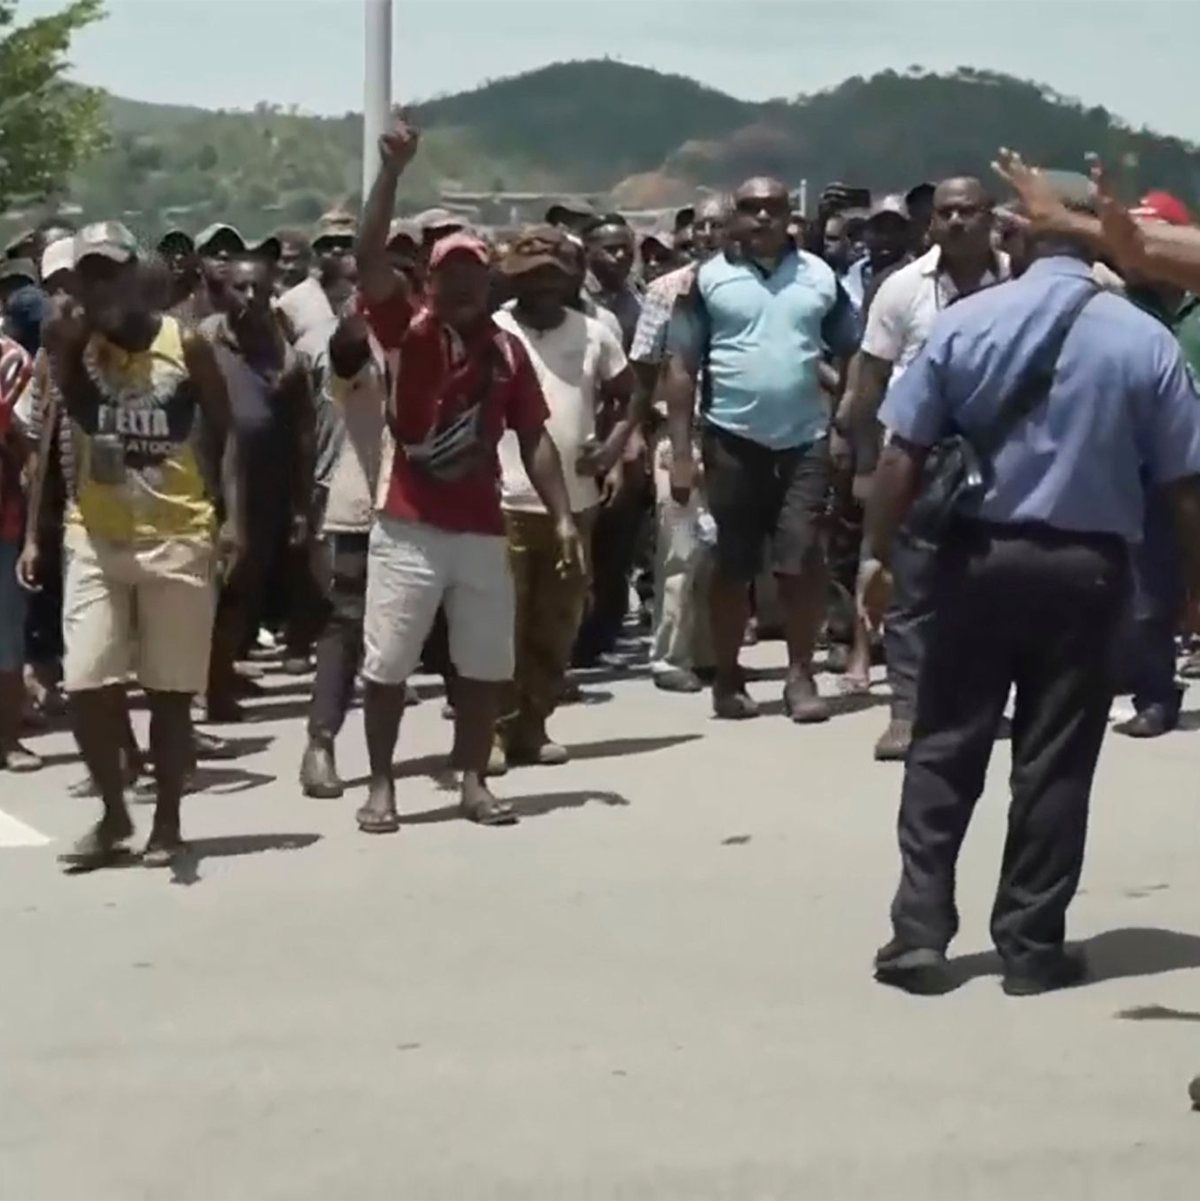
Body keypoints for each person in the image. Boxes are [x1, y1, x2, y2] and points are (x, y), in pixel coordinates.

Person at [862, 193, 1200, 997]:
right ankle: (1029, 942)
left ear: (1018, 238)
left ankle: (919, 933)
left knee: (944, 744)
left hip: (974, 559)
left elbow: (900, 454)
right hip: (1088, 570)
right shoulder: (1143, 338)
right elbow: (1186, 485)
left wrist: (877, 557)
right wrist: (1195, 587)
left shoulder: (966, 322)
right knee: (1055, 761)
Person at [353, 115, 582, 833]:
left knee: (485, 665)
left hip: (483, 527)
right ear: (429, 278)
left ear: (488, 281)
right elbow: (365, 256)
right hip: (409, 525)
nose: (460, 283)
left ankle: (473, 777)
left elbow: (535, 436)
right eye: (448, 271)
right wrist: (391, 174)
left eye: (472, 273)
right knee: (387, 663)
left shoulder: (506, 352)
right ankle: (383, 784)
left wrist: (566, 515)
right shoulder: (406, 329)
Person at [44, 222, 232, 868]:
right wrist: (64, 346)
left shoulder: (188, 346)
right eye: (86, 275)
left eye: (110, 272)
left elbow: (223, 430)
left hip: (177, 535)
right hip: (96, 534)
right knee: (85, 682)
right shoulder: (74, 344)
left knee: (169, 692)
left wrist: (228, 521)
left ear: (135, 277)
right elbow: (68, 409)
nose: (99, 287)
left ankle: (168, 824)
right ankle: (114, 812)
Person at [662, 176, 859, 722]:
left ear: (788, 215)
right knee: (733, 564)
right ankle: (728, 676)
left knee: (801, 559)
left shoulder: (820, 275)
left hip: (805, 441)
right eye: (751, 209)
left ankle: (800, 676)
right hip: (730, 440)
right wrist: (682, 452)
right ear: (733, 219)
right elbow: (680, 366)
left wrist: (843, 423)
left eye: (774, 208)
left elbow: (852, 350)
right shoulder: (707, 280)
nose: (763, 218)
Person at [840, 178, 1009, 758]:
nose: (958, 221)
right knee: (910, 587)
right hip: (919, 454)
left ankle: (978, 705)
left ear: (992, 218)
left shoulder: (1020, 281)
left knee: (990, 587)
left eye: (970, 210)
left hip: (1003, 456)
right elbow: (869, 383)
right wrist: (865, 463)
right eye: (947, 213)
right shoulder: (901, 289)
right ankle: (906, 712)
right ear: (930, 224)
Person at [494, 225, 634, 766]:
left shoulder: (595, 332)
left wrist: (615, 446)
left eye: (555, 275)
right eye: (532, 277)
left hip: (576, 504)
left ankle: (534, 724)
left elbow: (627, 394)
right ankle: (495, 732)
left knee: (558, 621)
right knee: (501, 624)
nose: (544, 286)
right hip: (504, 500)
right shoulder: (494, 330)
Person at [203, 252, 314, 722]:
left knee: (246, 590)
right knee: (212, 592)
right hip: (210, 489)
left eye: (260, 290)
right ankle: (203, 685)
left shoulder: (284, 351)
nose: (250, 298)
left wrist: (302, 504)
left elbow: (302, 431)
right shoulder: (204, 342)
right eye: (241, 288)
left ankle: (219, 676)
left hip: (267, 487)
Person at [629, 194, 730, 692]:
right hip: (678, 435)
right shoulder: (666, 290)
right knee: (681, 550)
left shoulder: (747, 288)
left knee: (722, 551)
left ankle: (709, 651)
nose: (708, 234)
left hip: (735, 435)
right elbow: (645, 368)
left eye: (718, 225)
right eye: (701, 226)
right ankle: (669, 656)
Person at [298, 294, 389, 797]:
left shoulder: (446, 336)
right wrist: (365, 314)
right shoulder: (362, 342)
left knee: (453, 620)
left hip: (434, 505)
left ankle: (479, 740)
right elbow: (346, 352)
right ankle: (320, 742)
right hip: (363, 506)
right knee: (346, 624)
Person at [0, 333, 39, 770]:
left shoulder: (12, 361)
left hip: (3, 520)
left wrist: (34, 528)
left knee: (6, 637)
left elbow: (26, 443)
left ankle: (7, 739)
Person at [841, 195, 912, 319]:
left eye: (894, 229)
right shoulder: (847, 284)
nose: (886, 238)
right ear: (866, 233)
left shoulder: (922, 280)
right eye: (879, 228)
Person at [584, 214, 641, 351]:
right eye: (611, 249)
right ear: (586, 252)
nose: (621, 255)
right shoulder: (575, 295)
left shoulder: (637, 296)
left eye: (626, 248)